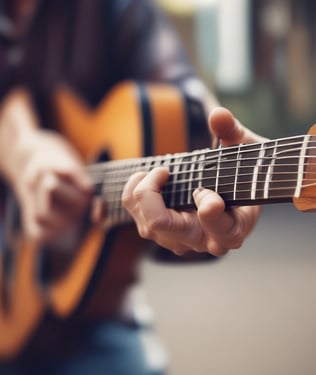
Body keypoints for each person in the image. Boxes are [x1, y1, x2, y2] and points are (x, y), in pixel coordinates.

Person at [0, 0, 263, 374]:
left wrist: (227, 169)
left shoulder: (119, 11)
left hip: (90, 314)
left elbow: (186, 108)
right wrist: (21, 152)